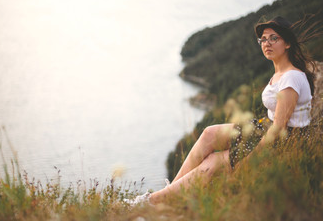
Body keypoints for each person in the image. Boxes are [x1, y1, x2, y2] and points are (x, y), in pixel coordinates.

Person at [125, 16, 317, 206]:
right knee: (209, 133)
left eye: (274, 38)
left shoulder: (291, 78)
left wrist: (250, 159)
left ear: (288, 43)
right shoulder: (281, 73)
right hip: (265, 127)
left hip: (286, 139)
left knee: (215, 161)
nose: (267, 43)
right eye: (263, 39)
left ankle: (149, 203)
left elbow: (279, 129)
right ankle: (169, 194)